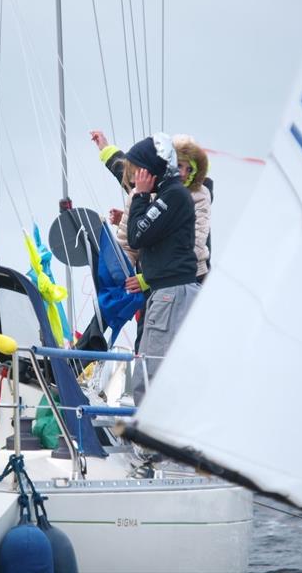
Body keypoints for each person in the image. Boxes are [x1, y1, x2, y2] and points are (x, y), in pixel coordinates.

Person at [123, 134, 199, 405]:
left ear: (151, 170)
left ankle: (150, 443)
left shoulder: (173, 196)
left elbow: (137, 236)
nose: (134, 177)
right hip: (166, 291)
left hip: (171, 293)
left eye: (138, 171)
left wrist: (141, 195)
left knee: (150, 373)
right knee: (147, 366)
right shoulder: (169, 195)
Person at [90, 130, 212, 283]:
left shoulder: (198, 196)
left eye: (189, 169)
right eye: (178, 164)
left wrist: (145, 280)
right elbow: (126, 170)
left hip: (188, 278)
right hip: (150, 278)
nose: (182, 173)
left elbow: (193, 247)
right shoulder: (147, 188)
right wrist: (118, 275)